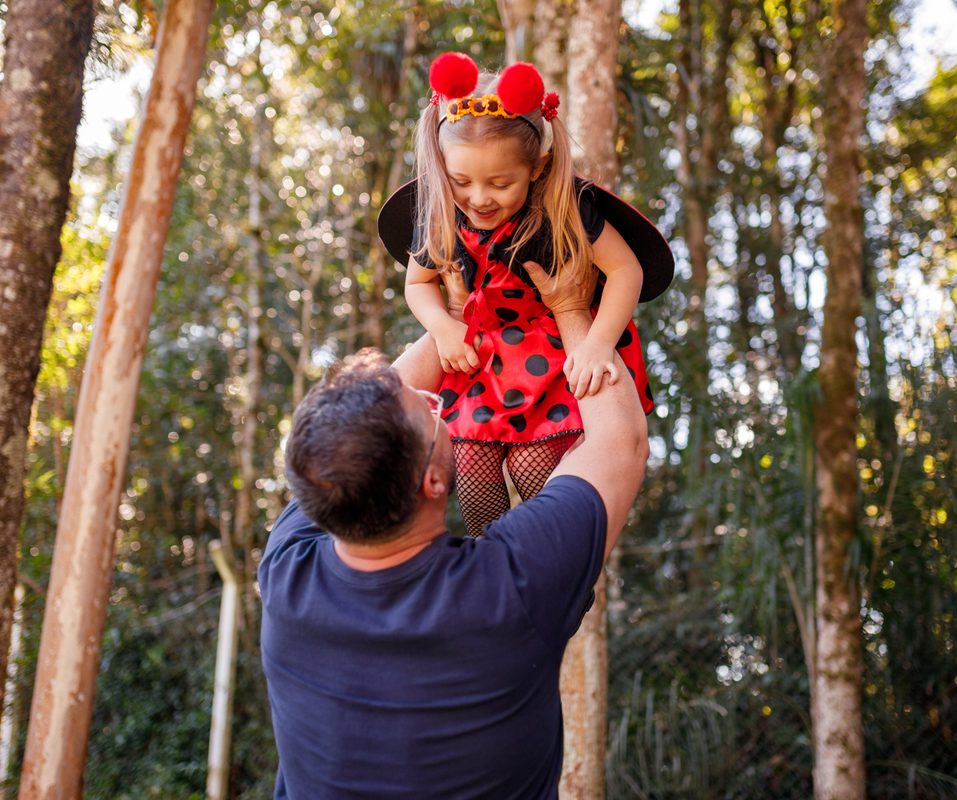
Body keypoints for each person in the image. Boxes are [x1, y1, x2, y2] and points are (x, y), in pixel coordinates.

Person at [258, 260, 649, 799]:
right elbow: (619, 442)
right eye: (427, 411)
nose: (426, 395)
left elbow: (357, 431)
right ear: (435, 481)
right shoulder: (513, 586)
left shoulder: (286, 573)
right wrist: (572, 311)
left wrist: (464, 317)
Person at [376, 51, 673, 537]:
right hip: (481, 360)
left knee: (536, 468)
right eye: (461, 181)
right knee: (470, 469)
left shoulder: (566, 210)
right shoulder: (440, 214)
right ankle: (486, 571)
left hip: (551, 356)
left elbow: (627, 271)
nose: (478, 198)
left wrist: (598, 343)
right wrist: (443, 326)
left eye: (500, 183)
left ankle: (551, 571)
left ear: (537, 166)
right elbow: (417, 284)